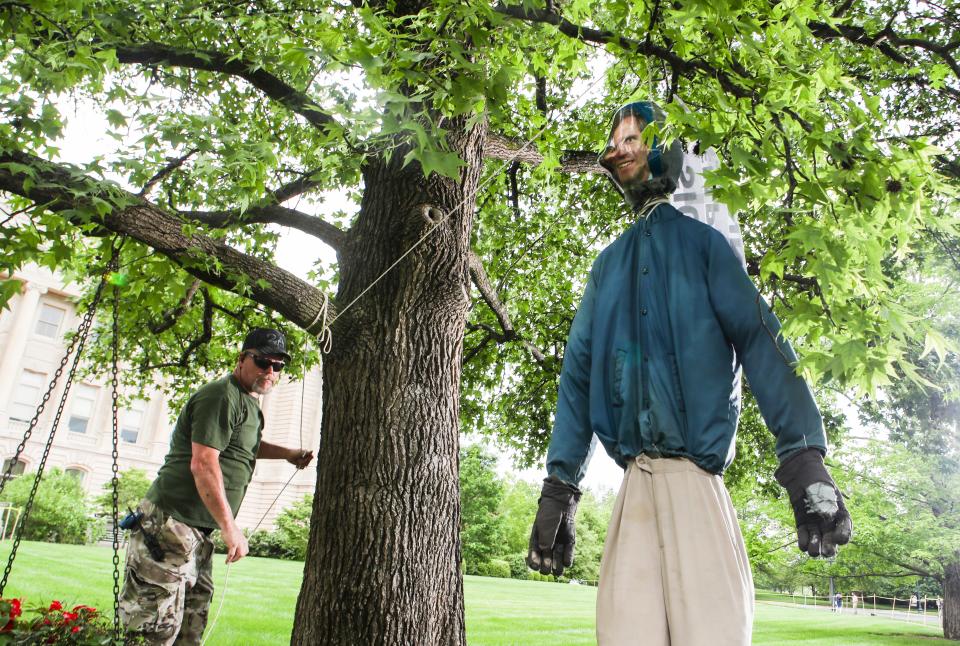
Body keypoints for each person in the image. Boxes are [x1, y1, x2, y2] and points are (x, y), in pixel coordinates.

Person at [525, 101, 852, 645]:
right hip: (633, 492)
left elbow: (758, 335)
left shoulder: (706, 247)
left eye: (633, 137)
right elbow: (578, 377)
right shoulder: (605, 268)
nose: (618, 149)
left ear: (666, 153)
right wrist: (560, 487)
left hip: (697, 484)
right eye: (615, 141)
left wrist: (803, 459)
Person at [119, 328, 314, 644]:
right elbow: (203, 463)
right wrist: (230, 526)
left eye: (278, 366)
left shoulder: (248, 402)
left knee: (189, 630)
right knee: (152, 631)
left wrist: (288, 455)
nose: (270, 371)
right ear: (242, 359)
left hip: (197, 534)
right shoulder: (221, 395)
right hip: (170, 525)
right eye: (263, 362)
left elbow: (243, 445)